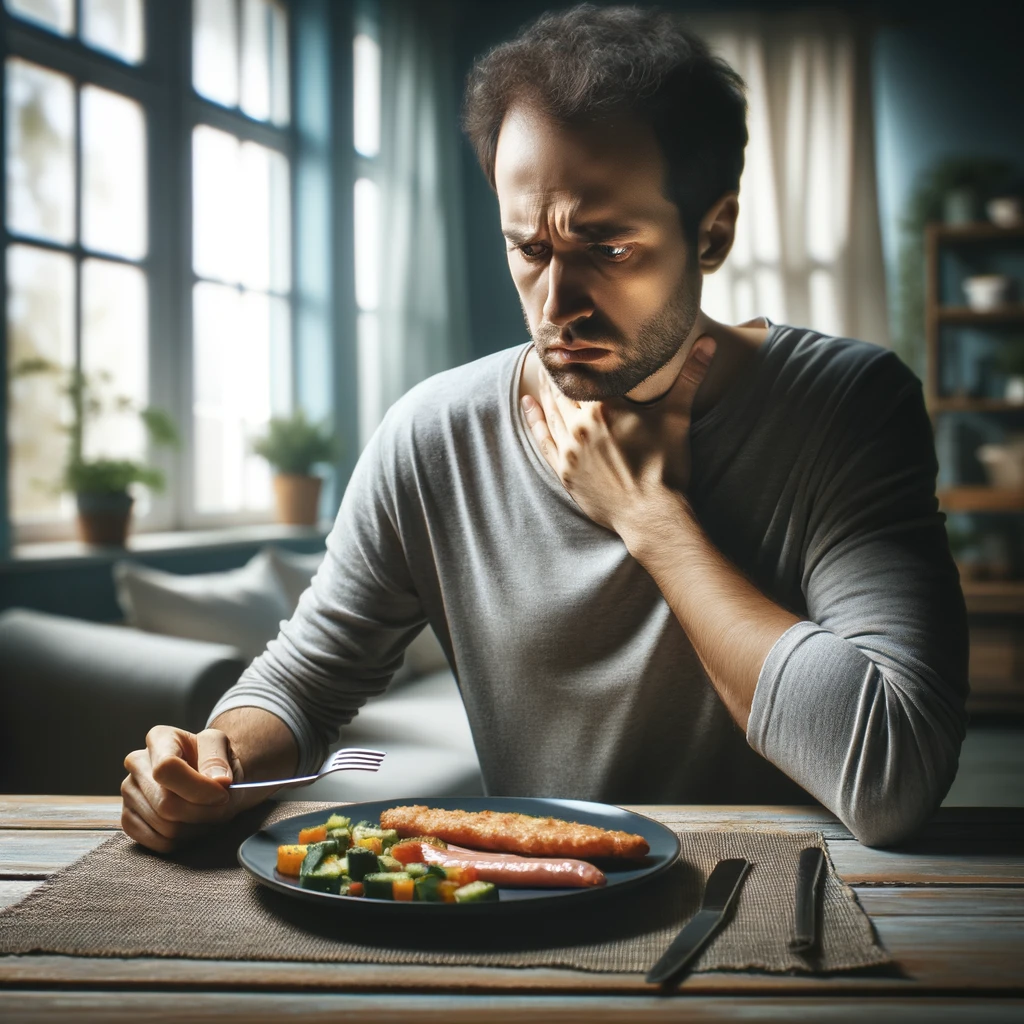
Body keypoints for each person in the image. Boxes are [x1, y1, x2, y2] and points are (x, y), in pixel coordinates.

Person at [121, 4, 968, 853]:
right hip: (528, 918)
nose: (557, 306)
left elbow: (893, 776)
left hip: (790, 907)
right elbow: (304, 684)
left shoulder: (848, 407)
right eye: (529, 249)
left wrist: (653, 521)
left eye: (608, 248)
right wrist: (216, 760)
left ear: (712, 232)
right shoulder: (433, 435)